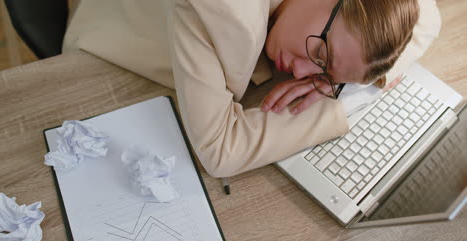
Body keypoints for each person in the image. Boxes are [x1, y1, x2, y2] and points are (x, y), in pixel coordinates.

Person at [63, 0, 441, 178]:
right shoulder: (221, 8)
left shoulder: (333, 19)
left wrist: (341, 81)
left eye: (323, 74)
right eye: (319, 53)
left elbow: (429, 16)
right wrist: (338, 108)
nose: (302, 73)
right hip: (111, 51)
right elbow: (219, 149)